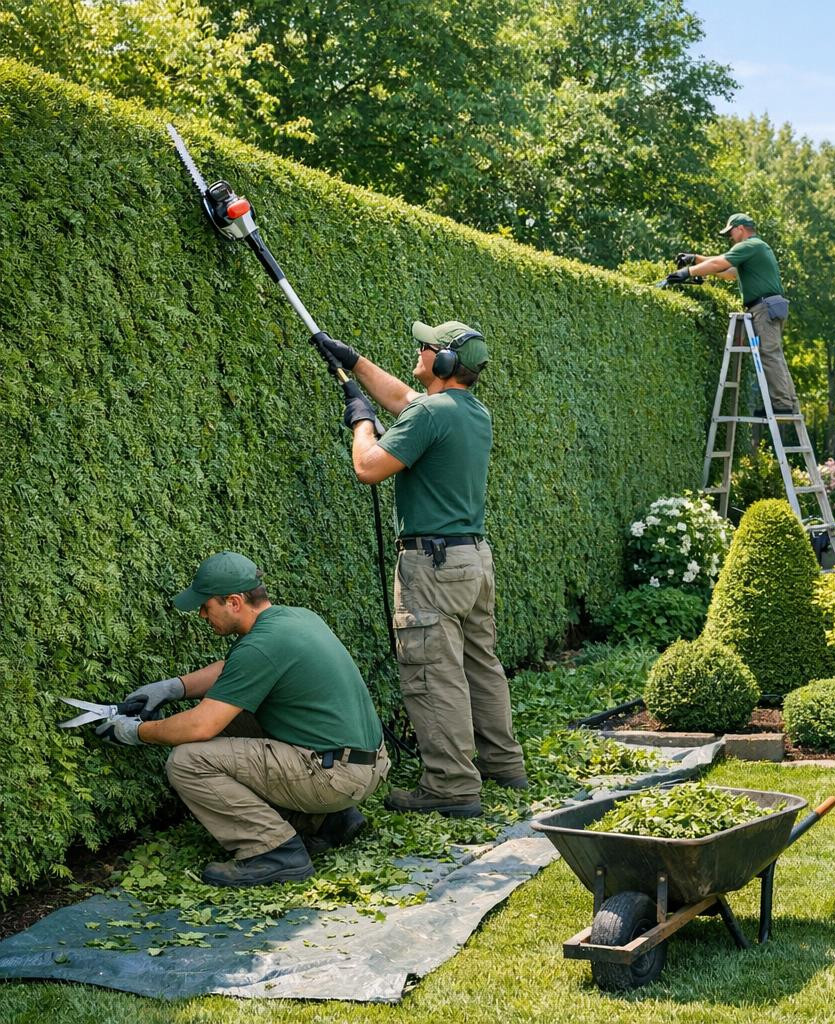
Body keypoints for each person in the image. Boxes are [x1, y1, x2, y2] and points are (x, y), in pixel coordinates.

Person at [322, 319, 527, 819]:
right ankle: (504, 764)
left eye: (426, 346)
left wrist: (360, 421)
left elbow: (368, 467)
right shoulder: (471, 412)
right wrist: (352, 361)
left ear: (446, 361)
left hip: (431, 565)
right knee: (481, 664)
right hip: (473, 560)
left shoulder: (431, 415)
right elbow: (405, 399)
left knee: (435, 674)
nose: (418, 350)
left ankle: (452, 786)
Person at [93, 551, 389, 887]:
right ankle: (328, 821)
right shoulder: (293, 619)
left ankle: (274, 852)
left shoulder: (261, 646)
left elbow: (200, 726)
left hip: (336, 776)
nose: (202, 614)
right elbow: (232, 672)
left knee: (188, 760)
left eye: (206, 606)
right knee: (232, 714)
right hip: (366, 764)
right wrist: (173, 688)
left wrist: (136, 732)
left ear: (234, 602)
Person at [668, 213, 797, 415]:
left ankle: (782, 404)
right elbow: (727, 272)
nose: (730, 237)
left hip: (764, 307)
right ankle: (789, 402)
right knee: (774, 355)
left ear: (740, 229)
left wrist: (687, 272)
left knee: (770, 355)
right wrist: (695, 260)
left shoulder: (750, 245)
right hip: (770, 306)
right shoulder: (755, 250)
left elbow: (720, 263)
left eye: (730, 232)